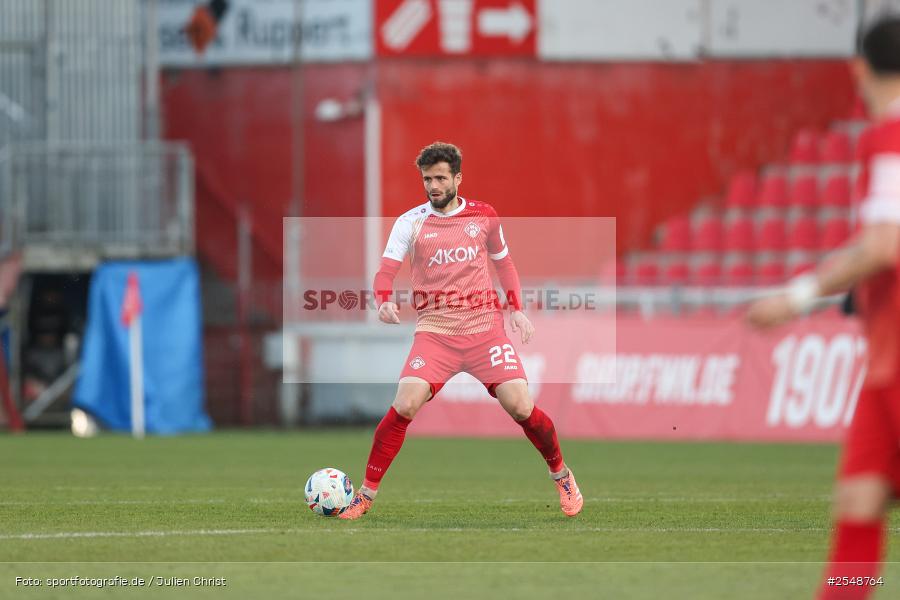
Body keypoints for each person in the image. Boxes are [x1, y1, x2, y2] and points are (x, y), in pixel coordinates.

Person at [339, 142, 583, 520]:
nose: (433, 185)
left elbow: (505, 265)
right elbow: (386, 269)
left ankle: (562, 475)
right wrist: (384, 299)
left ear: (457, 178)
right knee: (404, 404)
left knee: (520, 406)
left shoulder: (484, 216)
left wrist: (516, 310)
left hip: (486, 331)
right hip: (436, 333)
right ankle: (365, 496)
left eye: (439, 178)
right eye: (426, 179)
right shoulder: (410, 222)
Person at [746, 16, 900, 600]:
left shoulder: (890, 135)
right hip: (885, 365)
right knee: (858, 500)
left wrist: (798, 297)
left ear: (858, 68)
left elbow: (883, 245)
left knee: (859, 505)